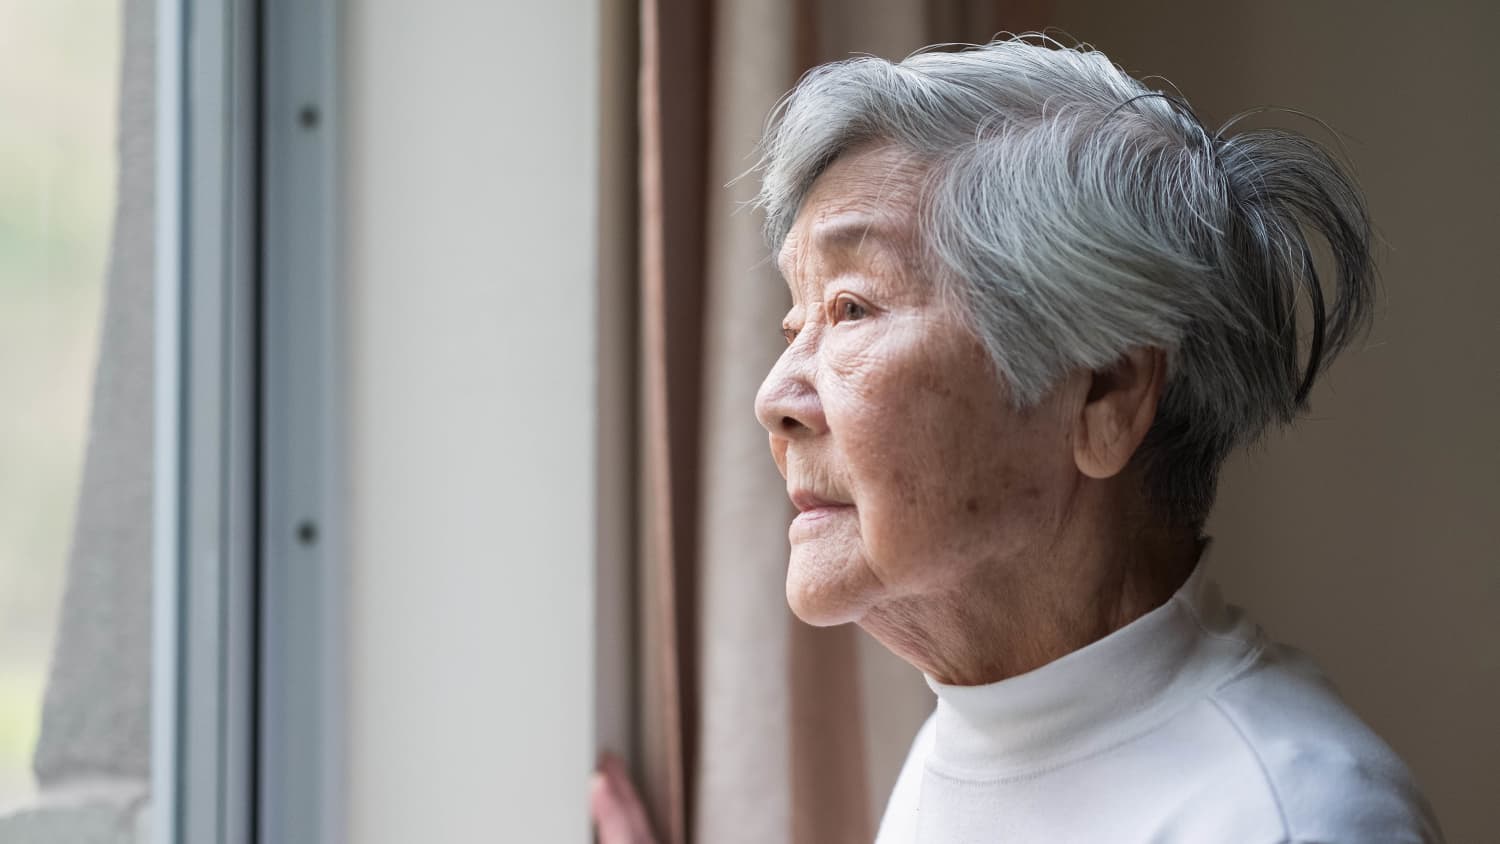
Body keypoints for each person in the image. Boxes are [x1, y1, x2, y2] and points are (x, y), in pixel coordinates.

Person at [592, 36, 1443, 842]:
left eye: (852, 309)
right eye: (794, 323)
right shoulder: (965, 741)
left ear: (1105, 391)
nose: (774, 398)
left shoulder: (1290, 816)